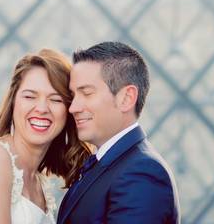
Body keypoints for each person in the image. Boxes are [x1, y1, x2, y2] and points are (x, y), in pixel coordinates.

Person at [0, 48, 91, 224]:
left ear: (68, 110)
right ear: (13, 101)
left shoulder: (38, 182)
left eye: (56, 99)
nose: (42, 108)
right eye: (30, 96)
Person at [58, 41, 180, 223]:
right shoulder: (115, 165)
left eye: (87, 93)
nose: (73, 107)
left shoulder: (141, 173)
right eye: (74, 95)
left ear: (126, 98)